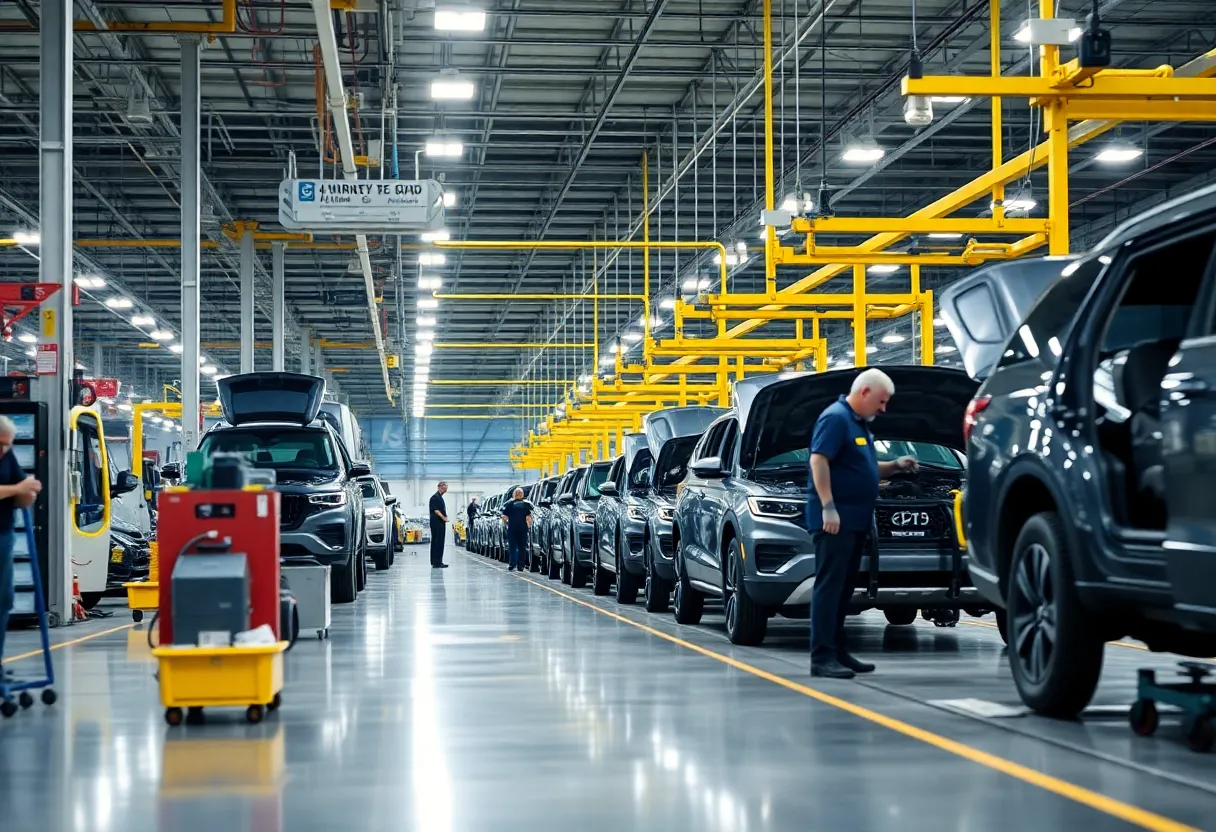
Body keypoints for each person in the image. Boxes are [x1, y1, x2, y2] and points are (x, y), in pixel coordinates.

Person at [806, 368, 917, 679]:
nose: (883, 409)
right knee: (829, 589)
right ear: (865, 392)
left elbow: (866, 468)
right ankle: (822, 657)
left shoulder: (858, 425)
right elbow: (819, 460)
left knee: (843, 591)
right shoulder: (836, 418)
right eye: (881, 402)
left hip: (853, 521)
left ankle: (838, 652)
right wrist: (828, 507)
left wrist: (894, 466)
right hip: (834, 521)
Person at [0, 415, 42, 680]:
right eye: (2, 444)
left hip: (4, 535)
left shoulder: (7, 457)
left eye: (8, 445)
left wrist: (28, 491)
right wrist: (17, 487)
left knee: (4, 599)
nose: (5, 449)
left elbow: (23, 498)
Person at [500, 488, 533, 572]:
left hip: (512, 528)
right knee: (522, 547)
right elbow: (529, 517)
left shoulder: (509, 504)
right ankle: (520, 566)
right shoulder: (526, 505)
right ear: (522, 495)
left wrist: (507, 522)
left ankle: (512, 564)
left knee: (512, 547)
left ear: (514, 495)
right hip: (523, 528)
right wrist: (528, 525)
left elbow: (504, 516)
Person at [428, 481, 449, 569]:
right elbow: (436, 510)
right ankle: (436, 562)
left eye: (446, 489)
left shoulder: (439, 497)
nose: (445, 490)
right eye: (444, 488)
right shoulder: (435, 497)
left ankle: (438, 561)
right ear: (439, 487)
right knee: (437, 542)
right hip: (436, 522)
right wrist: (443, 517)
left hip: (440, 522)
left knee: (440, 542)